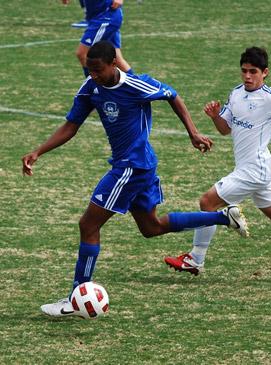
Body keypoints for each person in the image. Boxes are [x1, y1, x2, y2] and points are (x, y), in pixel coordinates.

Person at [22, 41, 248, 317]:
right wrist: (38, 151)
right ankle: (224, 217)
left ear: (113, 64)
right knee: (151, 227)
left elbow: (172, 95)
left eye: (98, 70)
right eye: (89, 70)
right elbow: (72, 125)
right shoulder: (91, 88)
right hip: (137, 166)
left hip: (133, 167)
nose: (93, 75)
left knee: (88, 224)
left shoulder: (136, 86)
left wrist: (193, 132)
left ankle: (76, 296)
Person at [165, 46, 271, 276]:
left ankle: (195, 259)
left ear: (264, 72)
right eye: (244, 71)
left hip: (255, 169)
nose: (247, 76)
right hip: (254, 167)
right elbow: (225, 129)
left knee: (207, 203)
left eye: (253, 72)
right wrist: (216, 116)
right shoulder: (236, 93)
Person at [61, 0, 132, 77]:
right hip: (99, 17)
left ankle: (94, 86)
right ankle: (136, 86)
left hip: (106, 17)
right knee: (117, 59)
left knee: (83, 53)